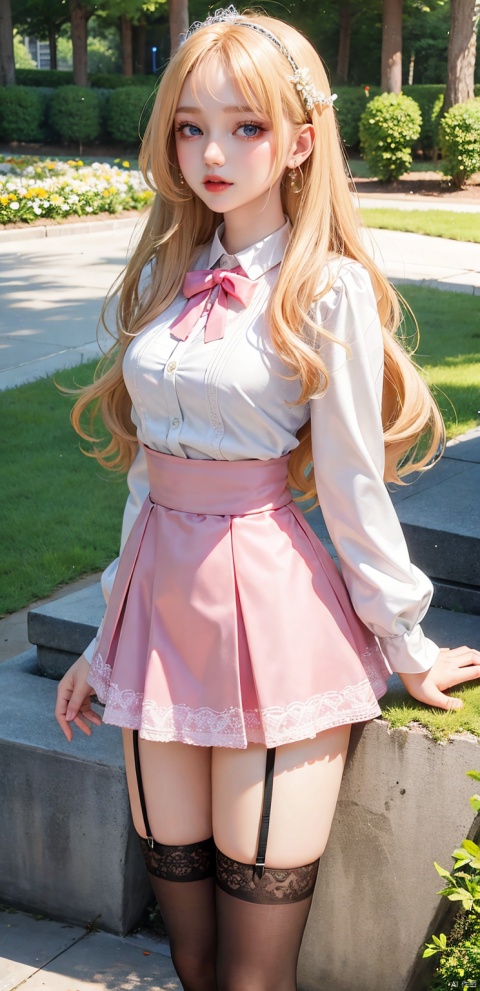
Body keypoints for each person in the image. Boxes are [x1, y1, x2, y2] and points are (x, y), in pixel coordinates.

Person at [55, 8, 480, 991]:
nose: (213, 151)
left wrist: (408, 642)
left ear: (298, 142)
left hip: (271, 625)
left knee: (252, 976)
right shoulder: (172, 275)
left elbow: (351, 487)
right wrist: (98, 637)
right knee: (193, 956)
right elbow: (145, 484)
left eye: (245, 127)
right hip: (159, 626)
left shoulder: (324, 289)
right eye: (192, 126)